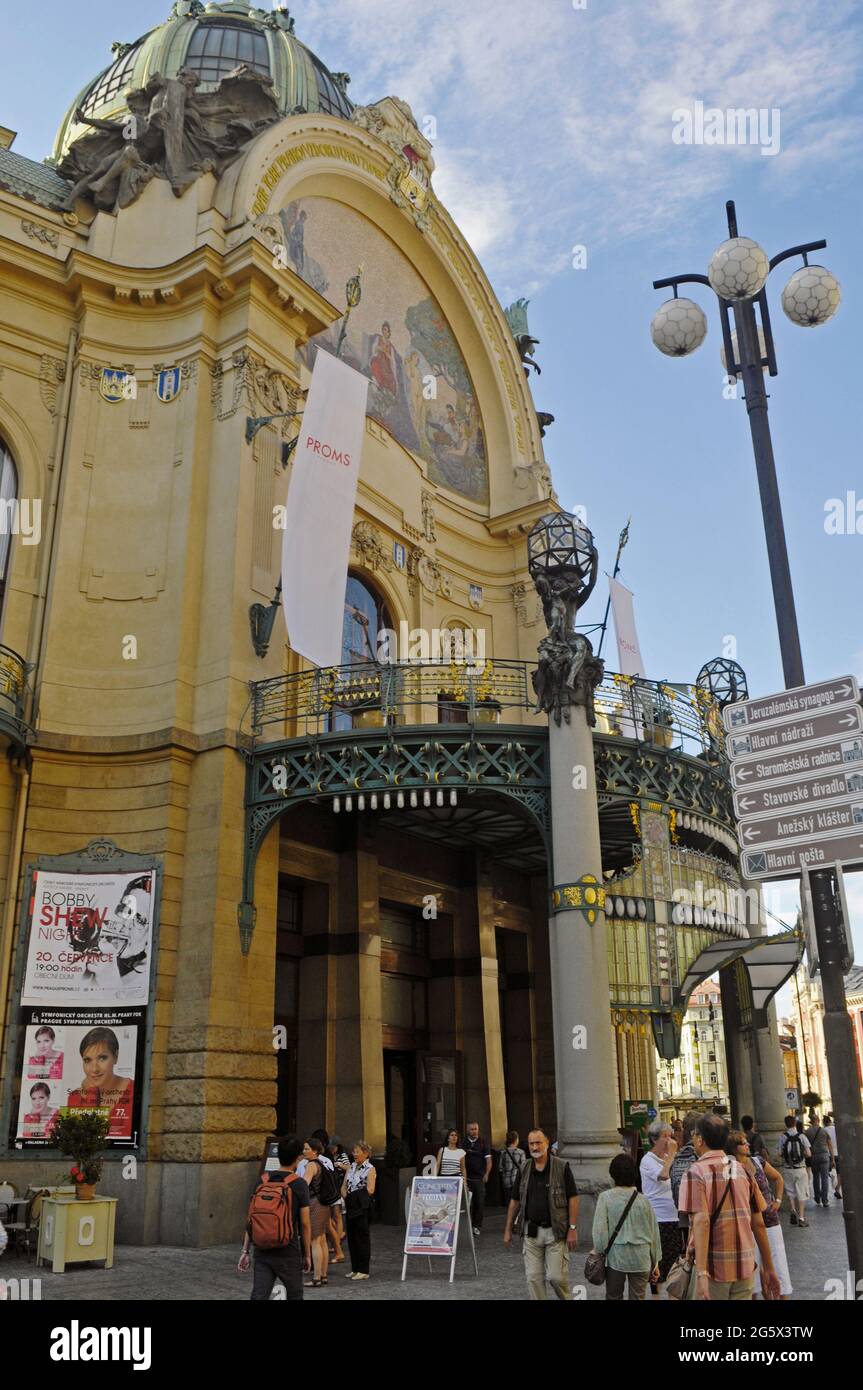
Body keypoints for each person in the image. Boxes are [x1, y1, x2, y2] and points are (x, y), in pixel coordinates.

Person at [679, 1114, 780, 1301]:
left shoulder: (695, 1172)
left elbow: (701, 1221)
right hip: (745, 1265)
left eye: (694, 1134)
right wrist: (769, 1267)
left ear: (700, 1139)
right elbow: (758, 1223)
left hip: (713, 1268)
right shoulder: (743, 1170)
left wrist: (701, 1273)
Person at [503, 1128, 578, 1301]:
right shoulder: (525, 1167)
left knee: (555, 1277)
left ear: (547, 1143)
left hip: (556, 1231)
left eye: (539, 1143)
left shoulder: (561, 1166)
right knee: (533, 1279)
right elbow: (514, 1201)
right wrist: (507, 1230)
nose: (535, 1147)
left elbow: (573, 1198)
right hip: (531, 1231)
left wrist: (572, 1228)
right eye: (531, 1143)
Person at [239, 1134, 311, 1300]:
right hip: (288, 1250)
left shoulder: (262, 1182)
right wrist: (307, 1254)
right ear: (297, 1158)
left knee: (259, 1295)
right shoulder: (299, 1184)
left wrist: (245, 1251)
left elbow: (251, 1219)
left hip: (262, 1250)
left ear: (278, 1156)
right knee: (295, 1295)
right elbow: (305, 1224)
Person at [725, 1130, 792, 1300]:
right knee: (752, 1276)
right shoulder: (730, 1168)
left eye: (746, 1142)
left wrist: (777, 1200)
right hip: (746, 1226)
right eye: (743, 1142)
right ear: (734, 1147)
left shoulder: (758, 1161)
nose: (747, 1144)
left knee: (779, 1267)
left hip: (769, 1221)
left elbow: (778, 1178)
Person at [592, 1153, 661, 1300]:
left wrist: (599, 1252)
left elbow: (599, 1233)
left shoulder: (605, 1198)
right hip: (641, 1258)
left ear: (613, 1174)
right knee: (638, 1297)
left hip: (617, 1257)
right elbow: (654, 1233)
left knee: (613, 1296)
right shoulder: (644, 1201)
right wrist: (655, 1263)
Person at [66, 1027, 134, 1139]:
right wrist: (90, 1095)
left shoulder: (134, 1091)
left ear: (116, 1056)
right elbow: (77, 1141)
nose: (94, 1069)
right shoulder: (74, 1097)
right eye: (87, 1060)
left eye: (102, 1058)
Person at [640, 1120, 681, 1291]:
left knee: (677, 1264)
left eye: (670, 1136)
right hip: (659, 1218)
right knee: (659, 1265)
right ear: (654, 1139)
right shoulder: (647, 1160)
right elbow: (663, 1175)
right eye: (665, 1137)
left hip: (676, 1215)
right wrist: (671, 1155)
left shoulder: (667, 1158)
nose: (669, 1140)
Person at [342, 1141, 376, 1281]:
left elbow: (370, 1189)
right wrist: (345, 1196)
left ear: (366, 1153)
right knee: (352, 1238)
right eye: (353, 1151)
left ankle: (363, 1270)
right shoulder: (351, 1167)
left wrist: (354, 1197)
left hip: (361, 1207)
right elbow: (344, 1185)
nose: (354, 1154)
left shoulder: (370, 1168)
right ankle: (355, 1268)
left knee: (362, 1238)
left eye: (357, 1151)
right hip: (350, 1206)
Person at [302, 1138, 332, 1288]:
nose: (304, 1151)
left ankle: (316, 1277)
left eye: (307, 1149)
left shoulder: (311, 1165)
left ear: (314, 1151)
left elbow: (304, 1185)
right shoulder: (321, 1164)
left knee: (315, 1240)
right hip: (324, 1204)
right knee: (322, 1240)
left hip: (314, 1204)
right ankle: (324, 1275)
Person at [670, 1110, 703, 1245]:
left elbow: (679, 1200)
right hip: (704, 1224)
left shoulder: (678, 1159)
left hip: (686, 1225)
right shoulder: (707, 1157)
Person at [780, 1115, 811, 1226]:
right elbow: (808, 1154)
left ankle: (793, 1210)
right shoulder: (802, 1136)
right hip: (800, 1169)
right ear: (795, 1123)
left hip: (788, 1168)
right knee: (801, 1193)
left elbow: (780, 1153)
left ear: (786, 1124)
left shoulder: (783, 1137)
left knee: (790, 1191)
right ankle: (802, 1218)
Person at [463, 1121, 492, 1235]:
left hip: (479, 1178)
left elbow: (488, 1160)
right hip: (466, 1178)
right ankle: (467, 1225)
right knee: (467, 1203)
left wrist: (487, 1173)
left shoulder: (483, 1143)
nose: (474, 1131)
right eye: (472, 1129)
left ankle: (476, 1226)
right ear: (467, 1130)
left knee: (479, 1203)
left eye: (476, 1129)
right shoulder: (463, 1142)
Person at [326, 1137, 349, 1261]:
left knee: (337, 1215)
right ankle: (338, 1237)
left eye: (333, 1147)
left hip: (339, 1187)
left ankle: (338, 1239)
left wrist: (340, 1165)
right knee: (332, 1216)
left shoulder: (343, 1156)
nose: (332, 1149)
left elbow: (349, 1168)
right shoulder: (329, 1155)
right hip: (333, 1187)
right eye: (330, 1147)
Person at [805, 1114, 834, 1208]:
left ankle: (817, 1198)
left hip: (814, 1157)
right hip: (824, 1156)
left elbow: (805, 1146)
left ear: (811, 1121)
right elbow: (830, 1145)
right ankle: (825, 1200)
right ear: (818, 1120)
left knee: (816, 1178)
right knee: (825, 1178)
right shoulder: (824, 1131)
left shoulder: (807, 1132)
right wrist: (832, 1159)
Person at [499, 1130, 527, 1204]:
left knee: (509, 1203)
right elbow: (524, 1167)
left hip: (506, 1181)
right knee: (518, 1202)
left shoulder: (503, 1152)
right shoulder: (521, 1152)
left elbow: (500, 1168)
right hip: (517, 1181)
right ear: (516, 1140)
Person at [823, 1114, 842, 1198]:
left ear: (824, 1122)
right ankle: (837, 1188)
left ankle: (829, 1191)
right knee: (839, 1173)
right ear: (830, 1121)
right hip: (837, 1153)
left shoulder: (823, 1131)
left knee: (827, 1174)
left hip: (827, 1154)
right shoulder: (836, 1129)